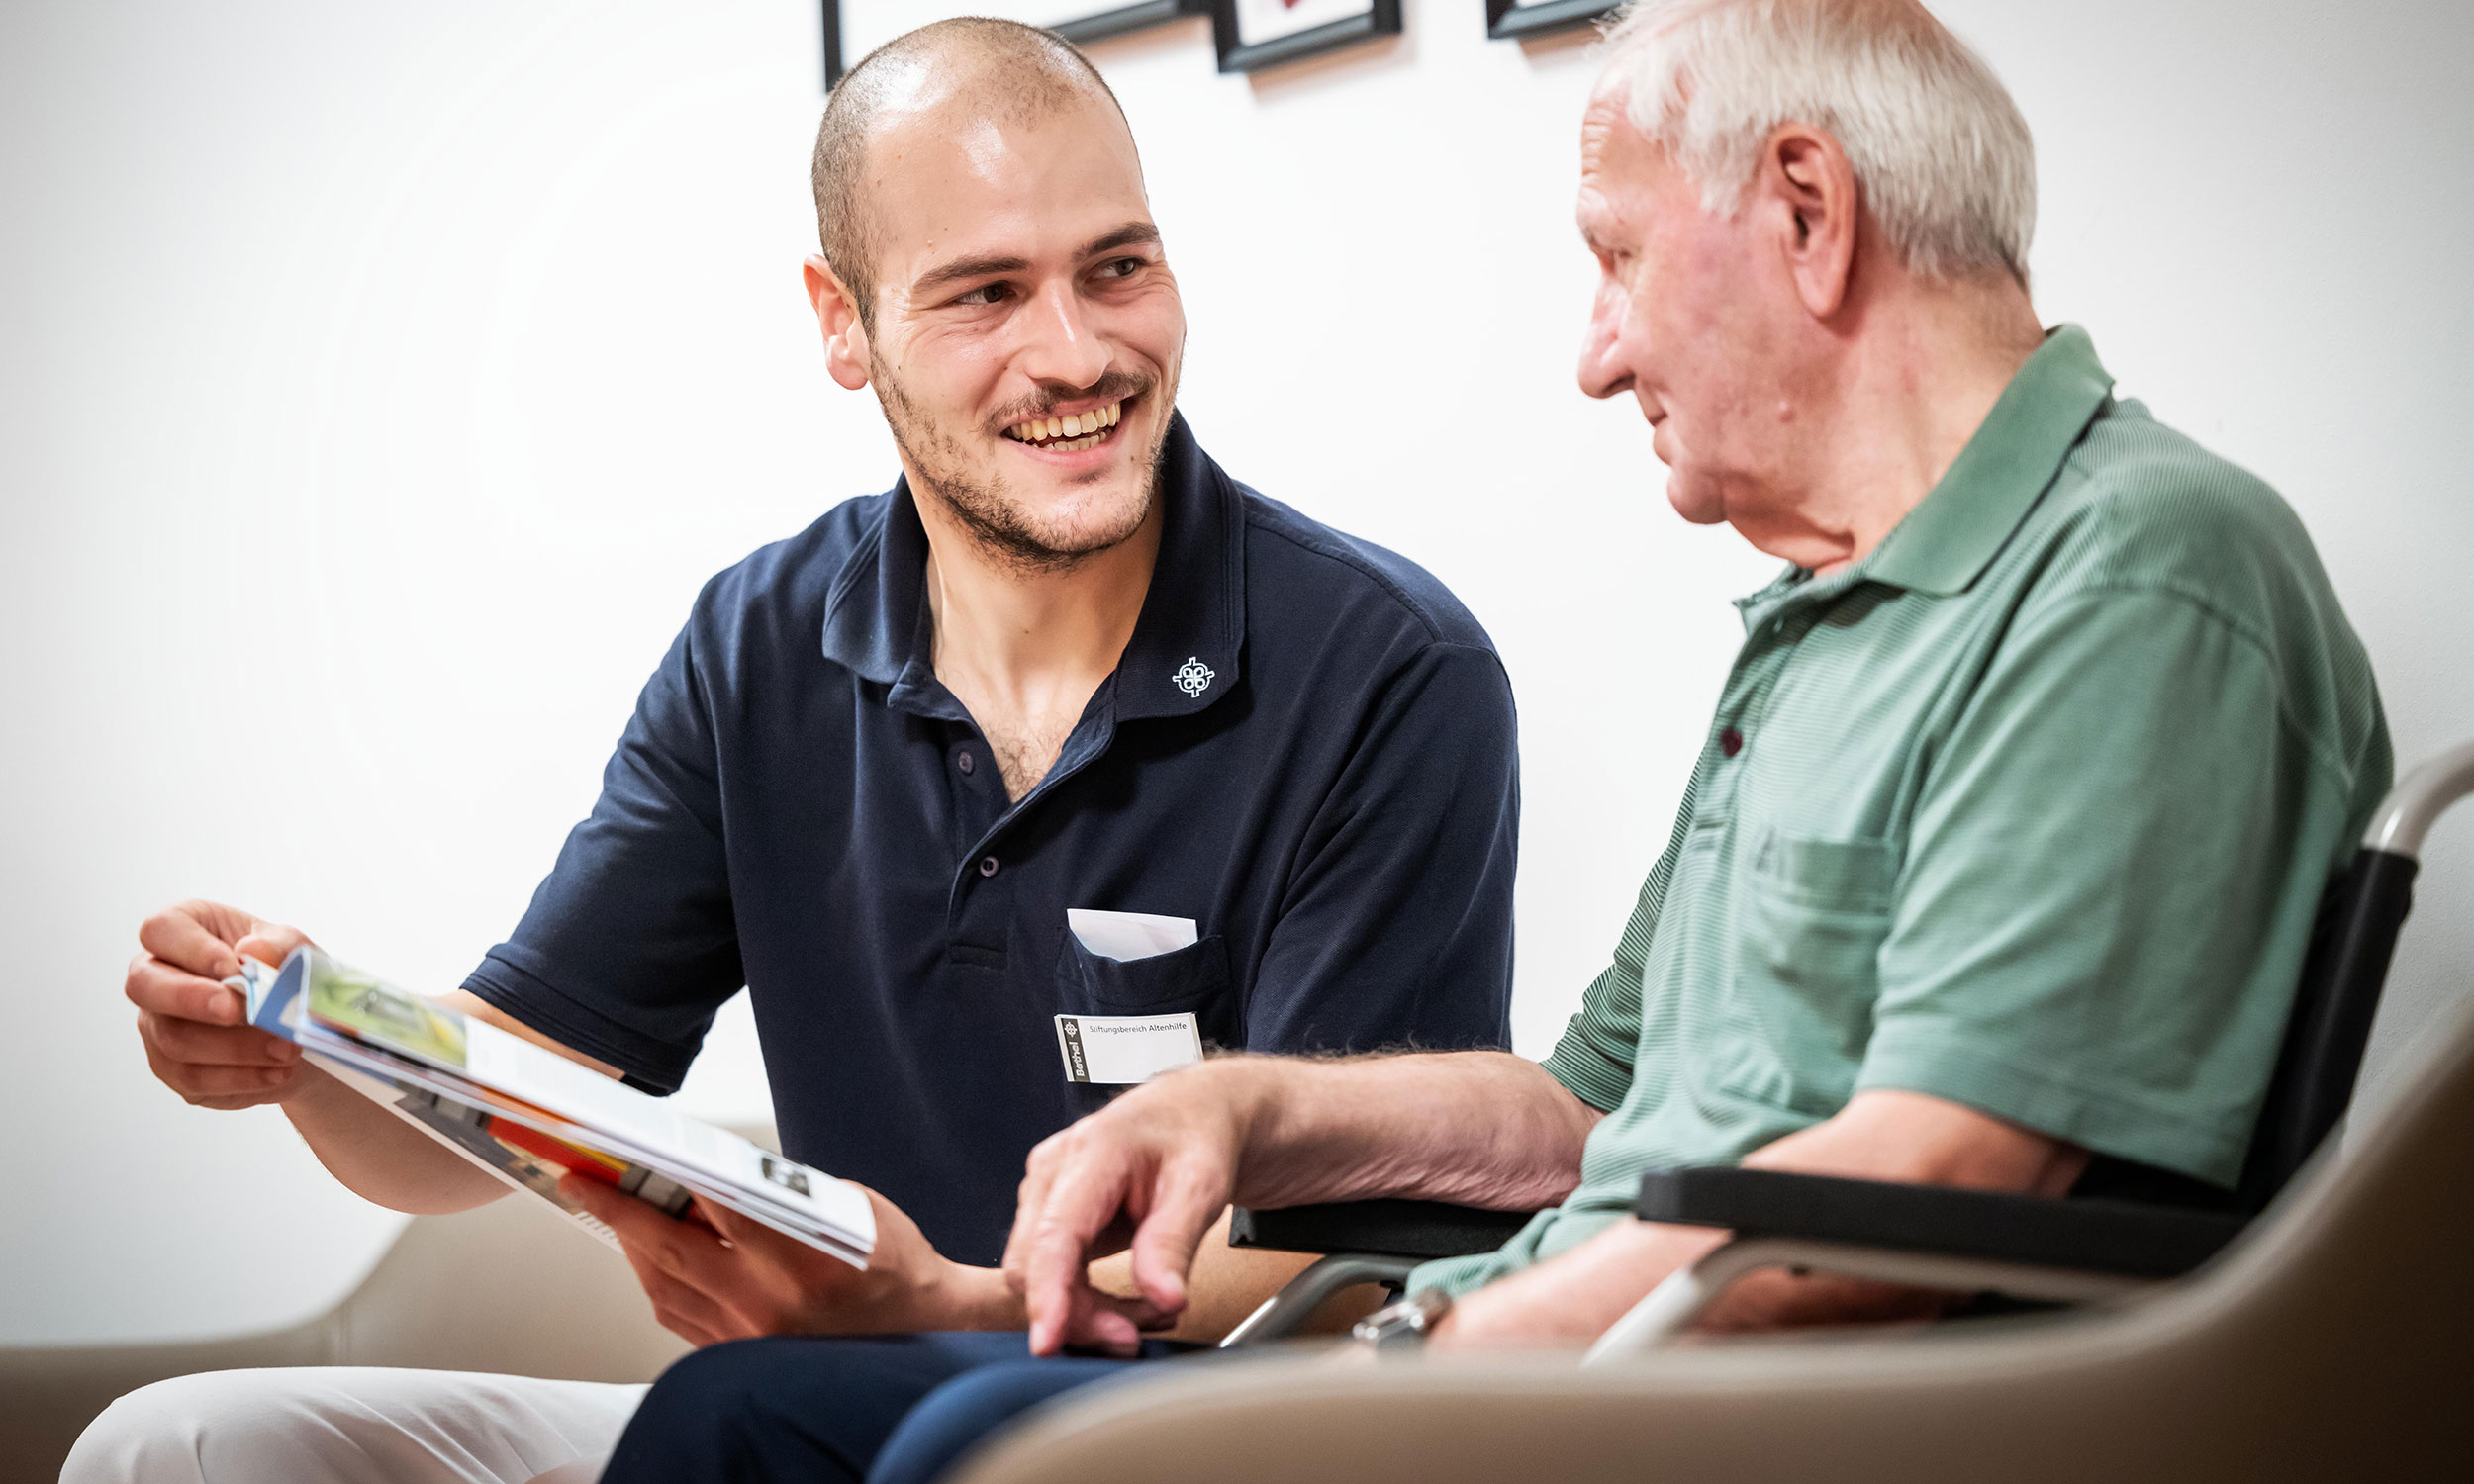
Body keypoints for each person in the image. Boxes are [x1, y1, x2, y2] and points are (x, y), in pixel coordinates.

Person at [589, 0, 2393, 1480]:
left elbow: (1937, 1185)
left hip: (1775, 1411)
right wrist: (1248, 1104)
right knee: (763, 1426)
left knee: (911, 1448)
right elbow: (1585, 1106)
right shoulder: (1832, 627)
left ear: (1807, 211)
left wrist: (1434, 1349)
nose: (1598, 354)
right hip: (1588, 1362)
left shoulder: (2137, 574)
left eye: (1615, 260)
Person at [66, 18, 1521, 1484]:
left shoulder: (1390, 671)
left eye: (1117, 267)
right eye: (984, 294)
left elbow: (1360, 1281)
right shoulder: (758, 644)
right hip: (820, 1416)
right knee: (186, 1444)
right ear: (842, 320)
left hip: (1185, 1428)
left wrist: (950, 1304)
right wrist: (309, 1051)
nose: (1076, 352)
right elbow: (502, 1102)